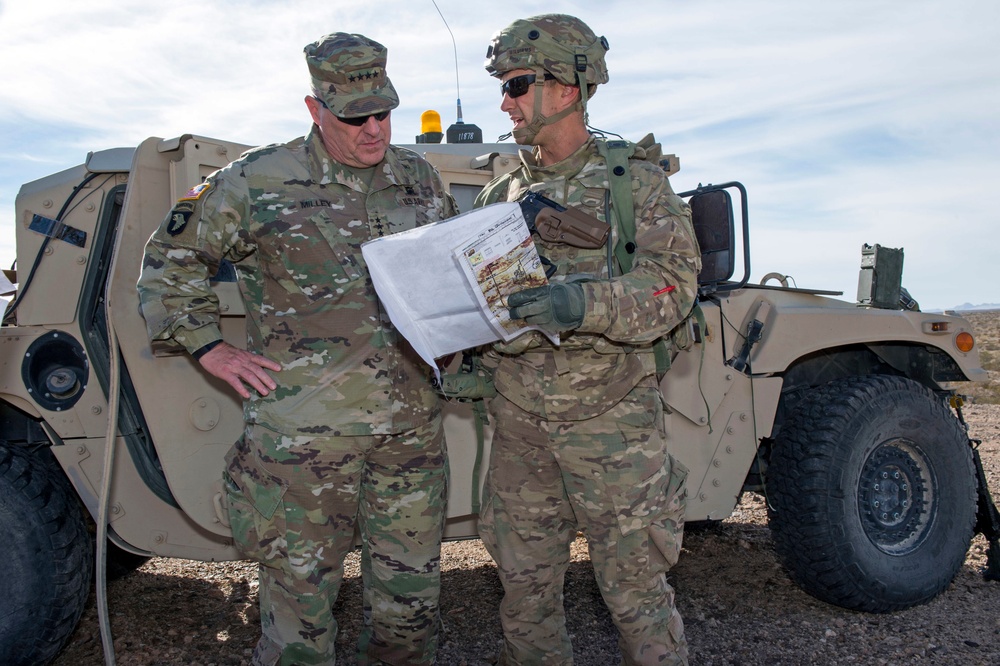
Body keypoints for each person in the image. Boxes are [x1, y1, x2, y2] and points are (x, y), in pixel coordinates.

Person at [137, 32, 458, 666]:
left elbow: (448, 268)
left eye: (384, 113)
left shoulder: (418, 177)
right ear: (315, 109)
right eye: (355, 117)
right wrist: (210, 349)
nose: (374, 131)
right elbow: (170, 260)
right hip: (305, 445)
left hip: (411, 434)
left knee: (410, 612)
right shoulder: (258, 180)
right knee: (300, 624)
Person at [473, 14, 702, 666]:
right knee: (525, 600)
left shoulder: (636, 185)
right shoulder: (501, 193)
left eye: (517, 85)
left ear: (568, 89)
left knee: (637, 599)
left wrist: (581, 304)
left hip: (613, 434)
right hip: (519, 434)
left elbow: (671, 290)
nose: (505, 102)